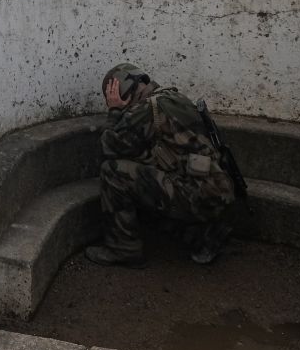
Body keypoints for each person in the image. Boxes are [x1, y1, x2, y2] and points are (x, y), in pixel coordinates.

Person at [84, 63, 236, 267]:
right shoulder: (173, 97)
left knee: (114, 172)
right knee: (145, 177)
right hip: (214, 190)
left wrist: (114, 111)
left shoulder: (146, 110)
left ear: (123, 91)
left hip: (197, 195)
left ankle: (123, 249)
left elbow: (106, 148)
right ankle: (202, 235)